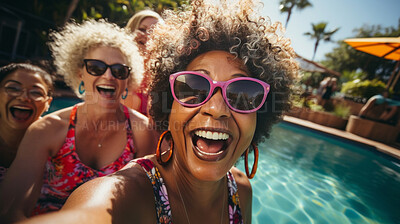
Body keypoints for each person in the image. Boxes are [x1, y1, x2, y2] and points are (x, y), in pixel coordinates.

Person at [18, 0, 298, 223]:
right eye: (193, 86)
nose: (216, 108)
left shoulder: (241, 191)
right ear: (168, 103)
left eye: (243, 94)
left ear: (260, 116)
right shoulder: (126, 194)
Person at [0, 19, 157, 223]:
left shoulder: (142, 131)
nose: (109, 75)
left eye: (119, 70)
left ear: (128, 79)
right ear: (79, 73)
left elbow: (143, 205)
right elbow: (10, 212)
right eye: (96, 67)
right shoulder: (47, 129)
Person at [0, 63, 53, 180]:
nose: (24, 97)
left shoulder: (57, 146)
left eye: (36, 92)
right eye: (13, 88)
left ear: (47, 103)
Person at [122, 9, 163, 115]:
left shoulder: (162, 75)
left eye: (153, 32)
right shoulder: (116, 66)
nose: (147, 35)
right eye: (142, 29)